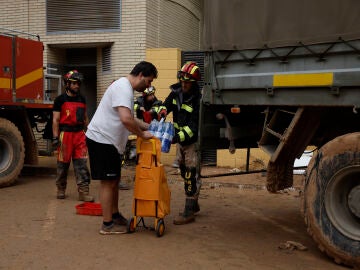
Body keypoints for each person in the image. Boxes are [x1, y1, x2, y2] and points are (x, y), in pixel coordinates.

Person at [85, 61, 157, 235]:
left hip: (109, 143)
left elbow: (130, 118)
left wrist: (148, 126)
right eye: (148, 81)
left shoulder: (125, 88)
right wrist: (142, 134)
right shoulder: (122, 88)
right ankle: (107, 224)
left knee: (114, 180)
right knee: (108, 182)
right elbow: (126, 119)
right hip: (102, 140)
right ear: (140, 75)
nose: (148, 86)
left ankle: (115, 215)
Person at [162, 61, 202, 225]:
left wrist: (175, 138)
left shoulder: (198, 99)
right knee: (184, 171)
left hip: (191, 143)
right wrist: (160, 112)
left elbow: (193, 127)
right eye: (182, 80)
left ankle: (188, 212)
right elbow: (166, 105)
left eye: (187, 82)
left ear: (193, 83)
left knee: (190, 175)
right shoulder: (176, 92)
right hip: (180, 142)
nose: (184, 84)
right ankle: (194, 204)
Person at [52, 70, 94, 202]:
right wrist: (55, 137)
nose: (77, 86)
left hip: (79, 135)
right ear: (67, 84)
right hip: (65, 135)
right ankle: (61, 188)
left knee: (81, 164)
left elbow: (85, 117)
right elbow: (56, 120)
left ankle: (83, 191)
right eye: (74, 83)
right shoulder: (60, 100)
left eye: (78, 83)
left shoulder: (82, 99)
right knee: (62, 165)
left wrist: (90, 133)